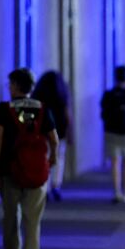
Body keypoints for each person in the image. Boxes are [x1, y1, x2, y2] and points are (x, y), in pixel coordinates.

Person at [0, 68, 59, 249]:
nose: (8, 88)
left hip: (10, 172)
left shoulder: (3, 109)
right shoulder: (42, 109)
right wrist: (52, 159)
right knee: (32, 220)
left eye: (10, 84)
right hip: (36, 173)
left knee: (11, 219)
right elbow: (54, 139)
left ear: (17, 86)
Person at [32, 70, 73, 201]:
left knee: (44, 158)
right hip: (60, 131)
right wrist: (70, 133)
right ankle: (56, 185)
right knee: (59, 158)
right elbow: (68, 116)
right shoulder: (62, 95)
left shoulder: (39, 95)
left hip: (43, 132)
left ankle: (46, 187)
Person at [101, 65, 125, 204]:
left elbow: (103, 113)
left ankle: (117, 192)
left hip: (111, 132)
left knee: (115, 163)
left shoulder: (108, 94)